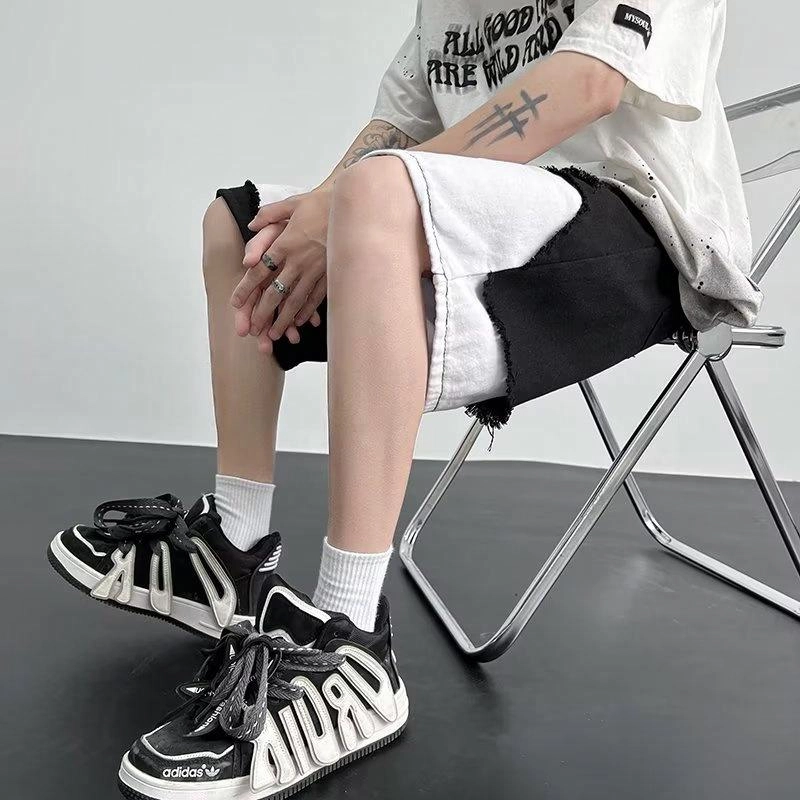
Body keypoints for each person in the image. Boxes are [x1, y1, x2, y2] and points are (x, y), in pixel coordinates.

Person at [48, 2, 760, 798]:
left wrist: (352, 206)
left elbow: (590, 82)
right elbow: (395, 126)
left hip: (650, 235)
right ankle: (232, 549)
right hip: (491, 218)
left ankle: (351, 643)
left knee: (377, 194)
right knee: (240, 227)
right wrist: (316, 216)